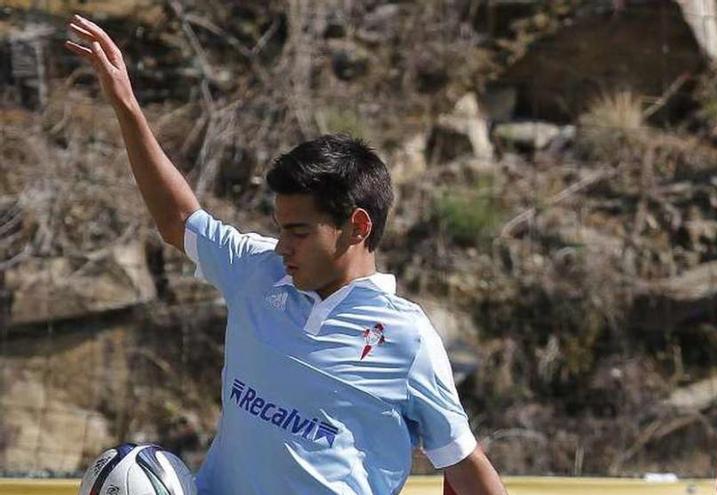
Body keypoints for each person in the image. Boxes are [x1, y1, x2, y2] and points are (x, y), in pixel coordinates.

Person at [65, 14, 507, 495]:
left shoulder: (407, 339)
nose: (281, 245)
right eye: (280, 228)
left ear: (356, 227)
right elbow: (178, 220)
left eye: (298, 231)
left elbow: (463, 468)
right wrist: (127, 105)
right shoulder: (259, 271)